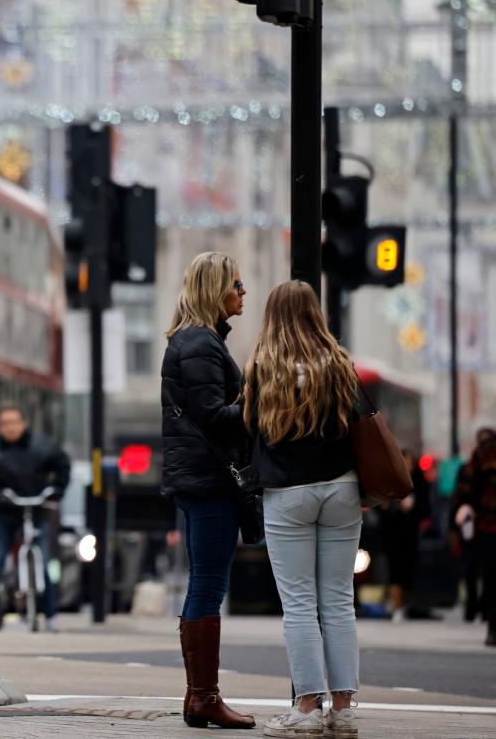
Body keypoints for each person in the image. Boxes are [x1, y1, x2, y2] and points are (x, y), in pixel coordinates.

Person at [244, 280, 363, 739]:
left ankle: (308, 707)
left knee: (298, 605)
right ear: (315, 312)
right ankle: (345, 704)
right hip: (341, 488)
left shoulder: (262, 367)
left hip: (288, 492)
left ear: (272, 316)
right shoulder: (337, 363)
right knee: (338, 600)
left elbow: (249, 426)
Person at [159, 251, 254, 730]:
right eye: (236, 285)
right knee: (208, 583)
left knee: (206, 581)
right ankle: (203, 697)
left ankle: (200, 697)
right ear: (215, 288)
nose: (243, 293)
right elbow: (213, 416)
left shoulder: (199, 341)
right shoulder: (199, 344)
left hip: (200, 478)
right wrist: (260, 400)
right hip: (209, 480)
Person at [0, 403, 71, 632]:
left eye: (14, 422)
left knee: (43, 560)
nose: (10, 428)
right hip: (3, 513)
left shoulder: (43, 447)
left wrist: (56, 490)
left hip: (35, 511)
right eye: (5, 424)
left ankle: (51, 615)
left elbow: (63, 466)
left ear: (23, 424)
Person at [452, 430, 496, 647]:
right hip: (488, 525)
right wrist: (464, 507)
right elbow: (465, 488)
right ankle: (491, 625)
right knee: (490, 575)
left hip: (487, 525)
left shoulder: (484, 454)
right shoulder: (484, 454)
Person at [378, 451, 428, 622]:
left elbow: (425, 507)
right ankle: (397, 605)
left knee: (407, 570)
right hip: (392, 534)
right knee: (395, 571)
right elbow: (379, 506)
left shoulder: (419, 483)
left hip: (409, 533)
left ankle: (403, 603)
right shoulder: (389, 480)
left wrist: (413, 509)